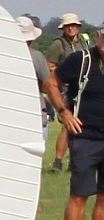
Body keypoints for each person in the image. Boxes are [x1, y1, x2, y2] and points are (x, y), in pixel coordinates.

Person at [44, 26, 104, 220]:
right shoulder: (82, 60)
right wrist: (64, 112)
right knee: (79, 194)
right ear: (99, 37)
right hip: (85, 137)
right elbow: (51, 83)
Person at [47, 13, 88, 173]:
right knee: (67, 124)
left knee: (80, 125)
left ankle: (74, 161)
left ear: (78, 27)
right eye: (67, 26)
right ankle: (58, 161)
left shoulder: (84, 42)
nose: (71, 28)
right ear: (63, 28)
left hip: (81, 88)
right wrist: (67, 74)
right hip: (64, 88)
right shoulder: (58, 44)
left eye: (73, 25)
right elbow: (50, 66)